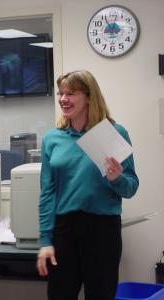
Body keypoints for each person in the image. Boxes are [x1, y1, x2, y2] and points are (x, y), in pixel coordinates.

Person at [36, 70, 139, 300]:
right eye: (61, 94)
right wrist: (45, 240)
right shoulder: (52, 139)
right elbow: (47, 193)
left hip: (103, 230)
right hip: (64, 232)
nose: (63, 99)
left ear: (89, 97)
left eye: (71, 93)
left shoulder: (113, 133)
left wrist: (117, 179)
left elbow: (131, 187)